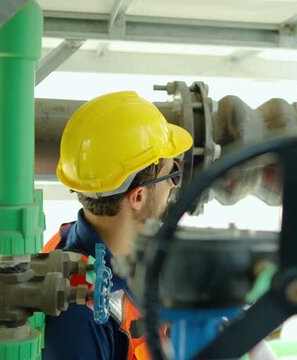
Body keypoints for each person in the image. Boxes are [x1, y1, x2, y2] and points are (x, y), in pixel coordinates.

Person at [42, 91, 193, 360]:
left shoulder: (72, 237)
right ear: (138, 196)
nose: (173, 184)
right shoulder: (77, 319)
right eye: (172, 173)